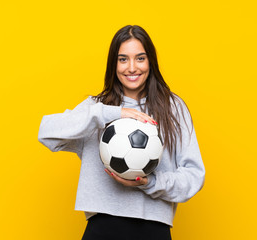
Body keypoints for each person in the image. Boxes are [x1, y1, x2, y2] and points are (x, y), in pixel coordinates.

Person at [38, 25, 205, 240]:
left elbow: (194, 176)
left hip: (154, 230)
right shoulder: (97, 109)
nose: (132, 68)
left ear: (150, 62)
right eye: (123, 59)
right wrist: (111, 113)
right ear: (113, 64)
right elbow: (46, 133)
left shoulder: (172, 107)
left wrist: (151, 183)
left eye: (140, 58)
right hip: (102, 228)